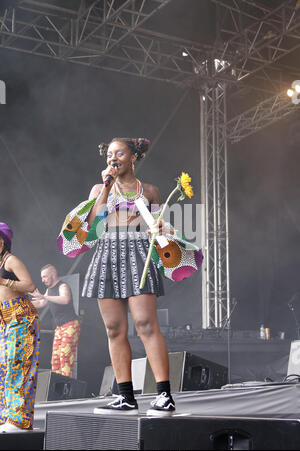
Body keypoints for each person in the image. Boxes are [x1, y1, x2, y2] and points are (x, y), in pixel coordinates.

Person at [57, 137, 202, 416]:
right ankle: (125, 397)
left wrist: (160, 229)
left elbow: (162, 229)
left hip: (139, 254)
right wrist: (106, 188)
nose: (113, 157)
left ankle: (164, 395)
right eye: (109, 154)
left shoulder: (150, 190)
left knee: (146, 323)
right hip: (106, 254)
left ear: (133, 157)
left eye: (119, 152)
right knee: (114, 329)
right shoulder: (100, 188)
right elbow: (92, 223)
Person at [0, 222, 40, 433]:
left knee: (18, 365)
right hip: (3, 320)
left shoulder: (11, 261)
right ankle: (5, 417)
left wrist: (4, 282)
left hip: (20, 316)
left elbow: (30, 286)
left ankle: (19, 420)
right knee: (3, 368)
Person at [31, 265, 80, 379]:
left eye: (44, 277)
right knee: (56, 360)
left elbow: (65, 299)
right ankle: (57, 387)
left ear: (53, 275)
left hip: (70, 325)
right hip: (59, 328)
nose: (43, 280)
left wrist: (43, 296)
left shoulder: (62, 286)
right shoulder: (49, 290)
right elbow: (41, 303)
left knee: (65, 357)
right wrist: (23, 303)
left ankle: (66, 387)